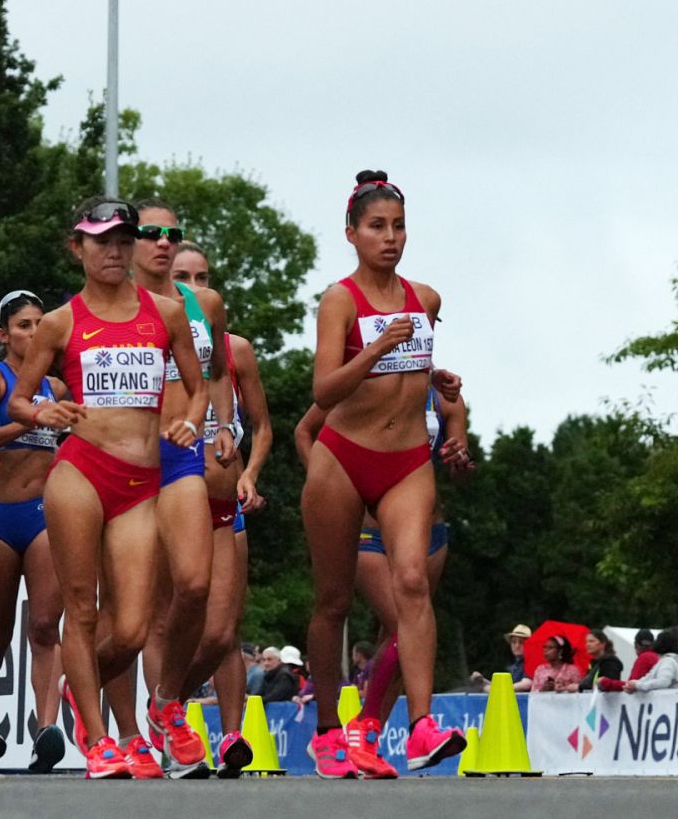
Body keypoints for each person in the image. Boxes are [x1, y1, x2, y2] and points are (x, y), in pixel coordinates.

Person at [7, 196, 205, 780]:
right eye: (101, 241)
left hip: (143, 480)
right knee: (82, 610)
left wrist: (191, 420)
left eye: (123, 240)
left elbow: (197, 387)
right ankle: (98, 741)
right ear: (79, 248)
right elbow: (19, 397)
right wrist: (41, 414)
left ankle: (79, 685)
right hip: (81, 471)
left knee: (136, 626)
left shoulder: (165, 314)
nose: (114, 251)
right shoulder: (60, 322)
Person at [302, 170, 464, 779]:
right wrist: (371, 351)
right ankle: (325, 729)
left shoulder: (425, 297)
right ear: (352, 234)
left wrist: (437, 376)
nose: (390, 238)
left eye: (397, 227)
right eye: (377, 227)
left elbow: (412, 364)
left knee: (413, 583)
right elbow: (323, 388)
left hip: (405, 462)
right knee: (332, 602)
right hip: (343, 456)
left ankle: (421, 727)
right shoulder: (340, 300)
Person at [111, 199, 235, 779]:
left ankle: (166, 703)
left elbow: (215, 377)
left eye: (173, 234)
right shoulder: (108, 304)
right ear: (130, 242)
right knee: (135, 615)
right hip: (124, 462)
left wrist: (221, 426)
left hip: (185, 454)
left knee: (195, 588)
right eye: (151, 234)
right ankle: (132, 732)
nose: (163, 243)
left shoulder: (203, 305)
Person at [167, 240, 273, 777]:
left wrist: (250, 474)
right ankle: (166, 718)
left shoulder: (234, 350)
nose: (193, 286)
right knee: (172, 624)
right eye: (182, 275)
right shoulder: (154, 334)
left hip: (225, 499)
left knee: (223, 632)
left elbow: (263, 427)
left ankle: (226, 733)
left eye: (202, 276)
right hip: (172, 496)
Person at [0, 290, 69, 774]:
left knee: (46, 627)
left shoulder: (58, 387)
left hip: (45, 515)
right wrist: (9, 429)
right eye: (23, 325)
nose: (32, 332)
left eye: (39, 323)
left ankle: (47, 729)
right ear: (4, 335)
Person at [470, 624, 533, 691]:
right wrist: (482, 680)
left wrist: (496, 689)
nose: (517, 646)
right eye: (514, 642)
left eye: (521, 642)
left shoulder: (532, 661)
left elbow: (526, 684)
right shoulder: (516, 665)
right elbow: (508, 687)